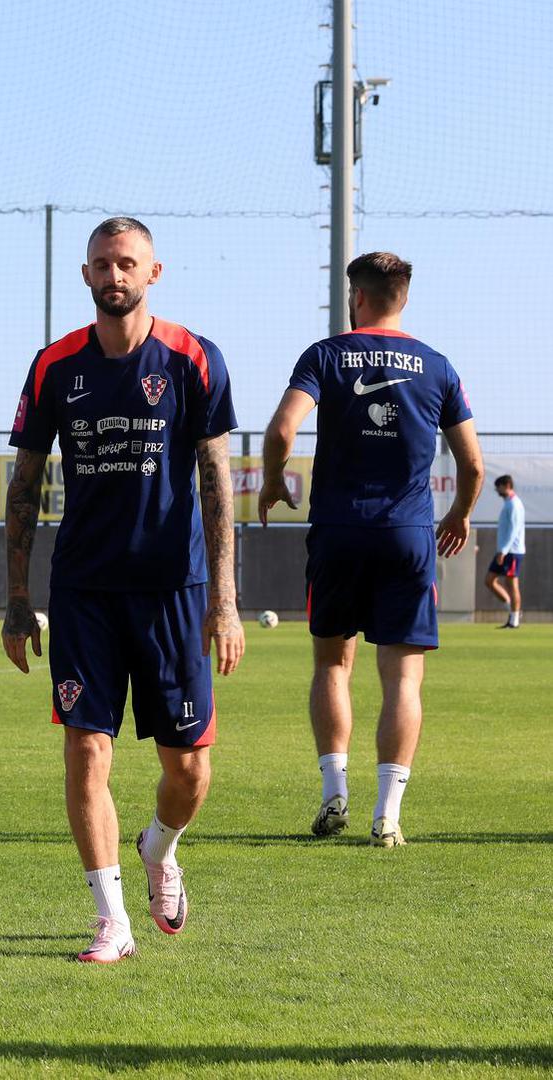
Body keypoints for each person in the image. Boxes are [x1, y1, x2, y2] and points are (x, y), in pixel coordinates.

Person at [2, 216, 243, 965]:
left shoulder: (193, 359)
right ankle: (111, 921)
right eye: (102, 264)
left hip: (173, 590)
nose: (114, 275)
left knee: (189, 770)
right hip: (82, 591)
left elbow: (216, 484)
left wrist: (224, 599)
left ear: (153, 272)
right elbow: (24, 485)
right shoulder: (53, 367)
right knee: (85, 751)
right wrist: (16, 597)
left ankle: (158, 847)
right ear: (85, 275)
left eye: (127, 263)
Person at [260, 251, 482, 848]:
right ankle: (389, 815)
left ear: (356, 296)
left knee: (334, 664)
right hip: (408, 536)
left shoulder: (327, 355)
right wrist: (457, 513)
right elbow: (473, 462)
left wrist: (276, 478)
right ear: (402, 298)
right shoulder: (436, 365)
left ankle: (335, 795)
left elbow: (282, 429)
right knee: (403, 679)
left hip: (337, 531)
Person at [486, 475, 525, 629]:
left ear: (507, 485)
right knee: (489, 580)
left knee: (512, 584)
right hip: (504, 550)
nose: (496, 490)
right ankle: (513, 610)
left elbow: (514, 530)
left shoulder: (514, 504)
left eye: (499, 486)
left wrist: (503, 550)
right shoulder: (508, 503)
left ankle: (514, 620)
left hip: (512, 551)